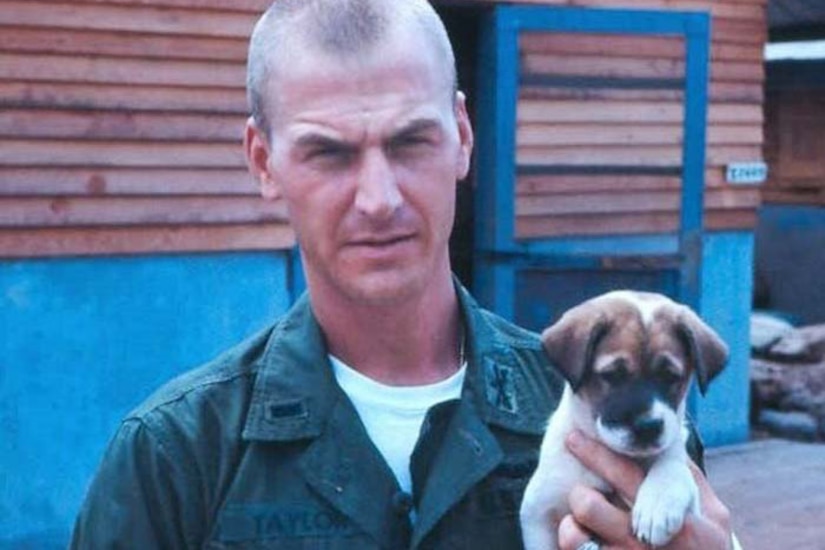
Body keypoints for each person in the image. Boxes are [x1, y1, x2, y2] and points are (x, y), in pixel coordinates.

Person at [70, 0, 734, 548]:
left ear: (463, 136)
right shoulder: (177, 456)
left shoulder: (602, 421)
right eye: (327, 152)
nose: (378, 197)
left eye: (409, 141)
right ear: (263, 161)